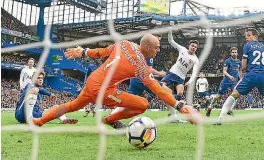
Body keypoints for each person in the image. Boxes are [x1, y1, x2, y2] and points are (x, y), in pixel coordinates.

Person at [32, 34, 201, 128]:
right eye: (157, 47)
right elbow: (158, 90)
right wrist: (181, 107)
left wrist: (83, 52)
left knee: (71, 106)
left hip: (92, 81)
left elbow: (101, 52)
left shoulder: (124, 44)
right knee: (143, 104)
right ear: (147, 48)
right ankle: (109, 120)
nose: (159, 50)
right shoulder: (141, 66)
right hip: (102, 91)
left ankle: (38, 121)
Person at [215, 28, 264, 125]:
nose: (246, 37)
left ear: (255, 36)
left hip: (251, 75)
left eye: (248, 35)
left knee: (234, 95)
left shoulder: (248, 46)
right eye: (246, 36)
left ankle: (220, 118)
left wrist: (243, 69)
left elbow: (243, 66)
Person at [162, 29, 199, 122]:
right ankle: (171, 109)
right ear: (189, 46)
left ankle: (173, 114)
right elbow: (171, 41)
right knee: (160, 86)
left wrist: (190, 81)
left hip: (181, 78)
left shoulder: (195, 60)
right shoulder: (182, 49)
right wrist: (170, 29)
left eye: (195, 47)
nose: (193, 47)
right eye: (192, 45)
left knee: (180, 93)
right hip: (172, 73)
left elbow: (194, 73)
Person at [206, 47, 242, 117]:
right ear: (231, 53)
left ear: (237, 53)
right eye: (233, 52)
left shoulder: (239, 62)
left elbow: (240, 71)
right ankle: (210, 107)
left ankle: (230, 110)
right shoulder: (227, 61)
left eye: (235, 52)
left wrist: (240, 79)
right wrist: (229, 76)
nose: (234, 53)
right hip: (226, 80)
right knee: (218, 96)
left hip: (234, 82)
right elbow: (224, 71)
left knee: (237, 95)